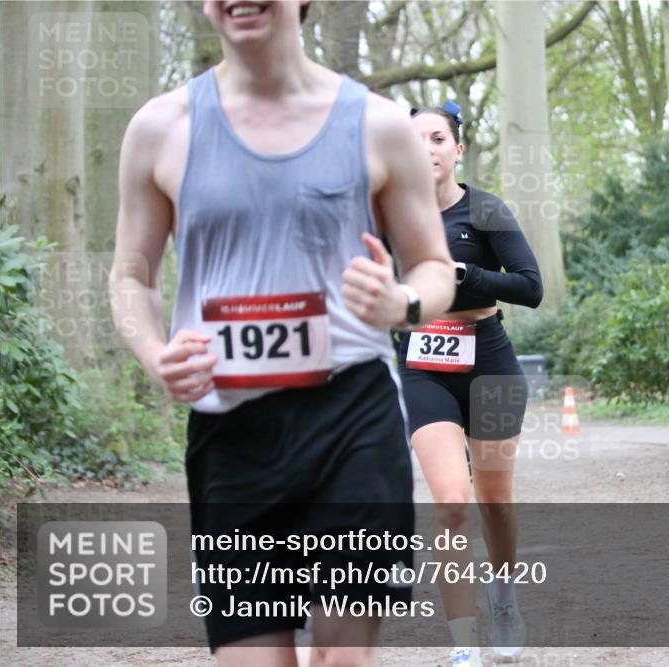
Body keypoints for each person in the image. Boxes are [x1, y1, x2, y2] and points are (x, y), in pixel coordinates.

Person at [108, 2, 454, 665]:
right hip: (231, 431)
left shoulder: (379, 125)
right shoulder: (159, 128)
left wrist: (402, 302)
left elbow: (433, 265)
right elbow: (132, 275)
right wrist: (155, 355)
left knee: (340, 660)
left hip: (352, 417)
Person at [400, 101, 543, 667]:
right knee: (452, 502)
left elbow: (531, 287)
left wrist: (469, 276)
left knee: (495, 502)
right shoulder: (390, 214)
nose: (426, 148)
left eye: (437, 137)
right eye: (415, 140)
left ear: (457, 149)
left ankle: (503, 593)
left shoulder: (485, 211)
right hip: (422, 362)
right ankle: (463, 643)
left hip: (489, 358)